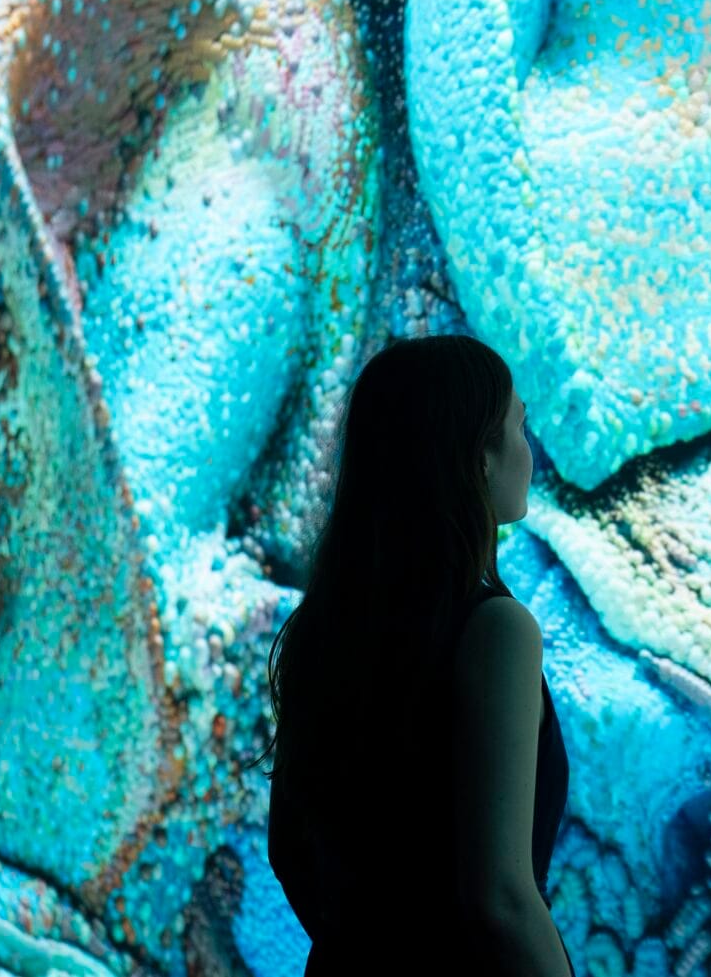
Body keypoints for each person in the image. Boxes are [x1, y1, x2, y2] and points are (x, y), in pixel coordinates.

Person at [245, 334, 573, 975]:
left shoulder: (328, 626)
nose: (528, 453)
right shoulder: (497, 630)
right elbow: (501, 900)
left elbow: (288, 849)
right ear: (479, 458)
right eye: (518, 427)